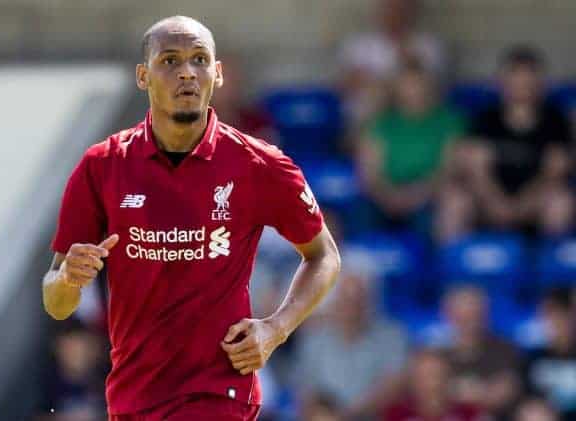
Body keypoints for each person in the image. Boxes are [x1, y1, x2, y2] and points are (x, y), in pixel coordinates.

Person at [42, 16, 341, 421]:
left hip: (219, 394)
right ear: (143, 76)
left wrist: (276, 328)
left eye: (199, 60)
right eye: (170, 61)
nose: (187, 72)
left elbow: (324, 255)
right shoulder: (102, 166)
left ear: (216, 74)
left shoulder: (259, 165)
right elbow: (57, 303)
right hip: (133, 397)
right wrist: (67, 280)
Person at [440, 46, 574, 241]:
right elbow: (475, 170)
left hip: (534, 203)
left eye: (528, 79)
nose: (522, 86)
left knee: (561, 202)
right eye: (516, 78)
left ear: (540, 83)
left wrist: (521, 205)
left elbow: (554, 172)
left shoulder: (555, 120)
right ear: (502, 82)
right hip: (489, 201)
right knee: (454, 199)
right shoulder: (486, 117)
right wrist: (497, 203)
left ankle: (550, 266)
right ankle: (452, 264)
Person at [356, 60, 464, 234]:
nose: (412, 90)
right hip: (384, 196)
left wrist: (417, 195)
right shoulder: (381, 124)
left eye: (417, 83)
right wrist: (388, 195)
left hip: (428, 197)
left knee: (439, 211)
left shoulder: (448, 122)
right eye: (406, 83)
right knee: (359, 213)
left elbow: (448, 169)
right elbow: (369, 173)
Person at [295, 272, 408, 419]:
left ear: (369, 303)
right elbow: (306, 390)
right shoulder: (314, 339)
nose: (351, 307)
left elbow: (395, 383)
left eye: (357, 300)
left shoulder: (391, 336)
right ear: (335, 302)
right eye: (346, 300)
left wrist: (350, 413)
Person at [339, 0, 446, 129]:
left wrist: (410, 64)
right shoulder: (359, 44)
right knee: (373, 97)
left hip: (413, 107)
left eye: (401, 9)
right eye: (390, 8)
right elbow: (345, 84)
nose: (395, 14)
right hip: (370, 108)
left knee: (411, 87)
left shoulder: (428, 44)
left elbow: (433, 85)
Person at [442, 286, 522, 420]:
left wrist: (456, 391)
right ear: (449, 316)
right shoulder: (438, 353)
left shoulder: (505, 350)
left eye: (476, 314)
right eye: (464, 315)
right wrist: (481, 391)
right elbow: (430, 396)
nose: (471, 321)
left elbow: (501, 395)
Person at [384, 349, 489, 421]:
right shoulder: (395, 415)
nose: (430, 384)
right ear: (412, 382)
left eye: (435, 375)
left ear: (447, 379)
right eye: (422, 376)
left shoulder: (470, 414)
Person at [523, 289, 576, 421]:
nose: (549, 323)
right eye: (544, 316)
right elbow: (527, 402)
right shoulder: (534, 358)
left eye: (554, 315)